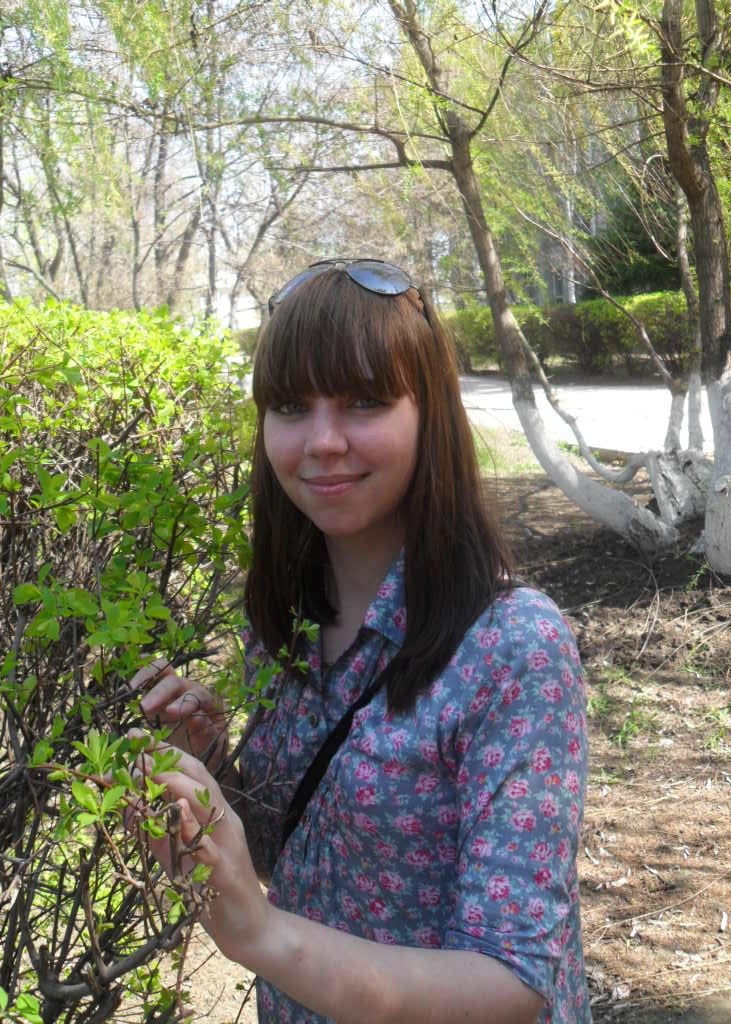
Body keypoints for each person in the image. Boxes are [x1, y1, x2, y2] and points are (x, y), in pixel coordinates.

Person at [130, 258, 591, 1024]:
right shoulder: (281, 624)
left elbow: (513, 981)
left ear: (430, 414)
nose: (322, 441)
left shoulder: (513, 647)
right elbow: (296, 854)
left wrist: (259, 933)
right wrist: (213, 771)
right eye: (290, 405)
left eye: (365, 401)